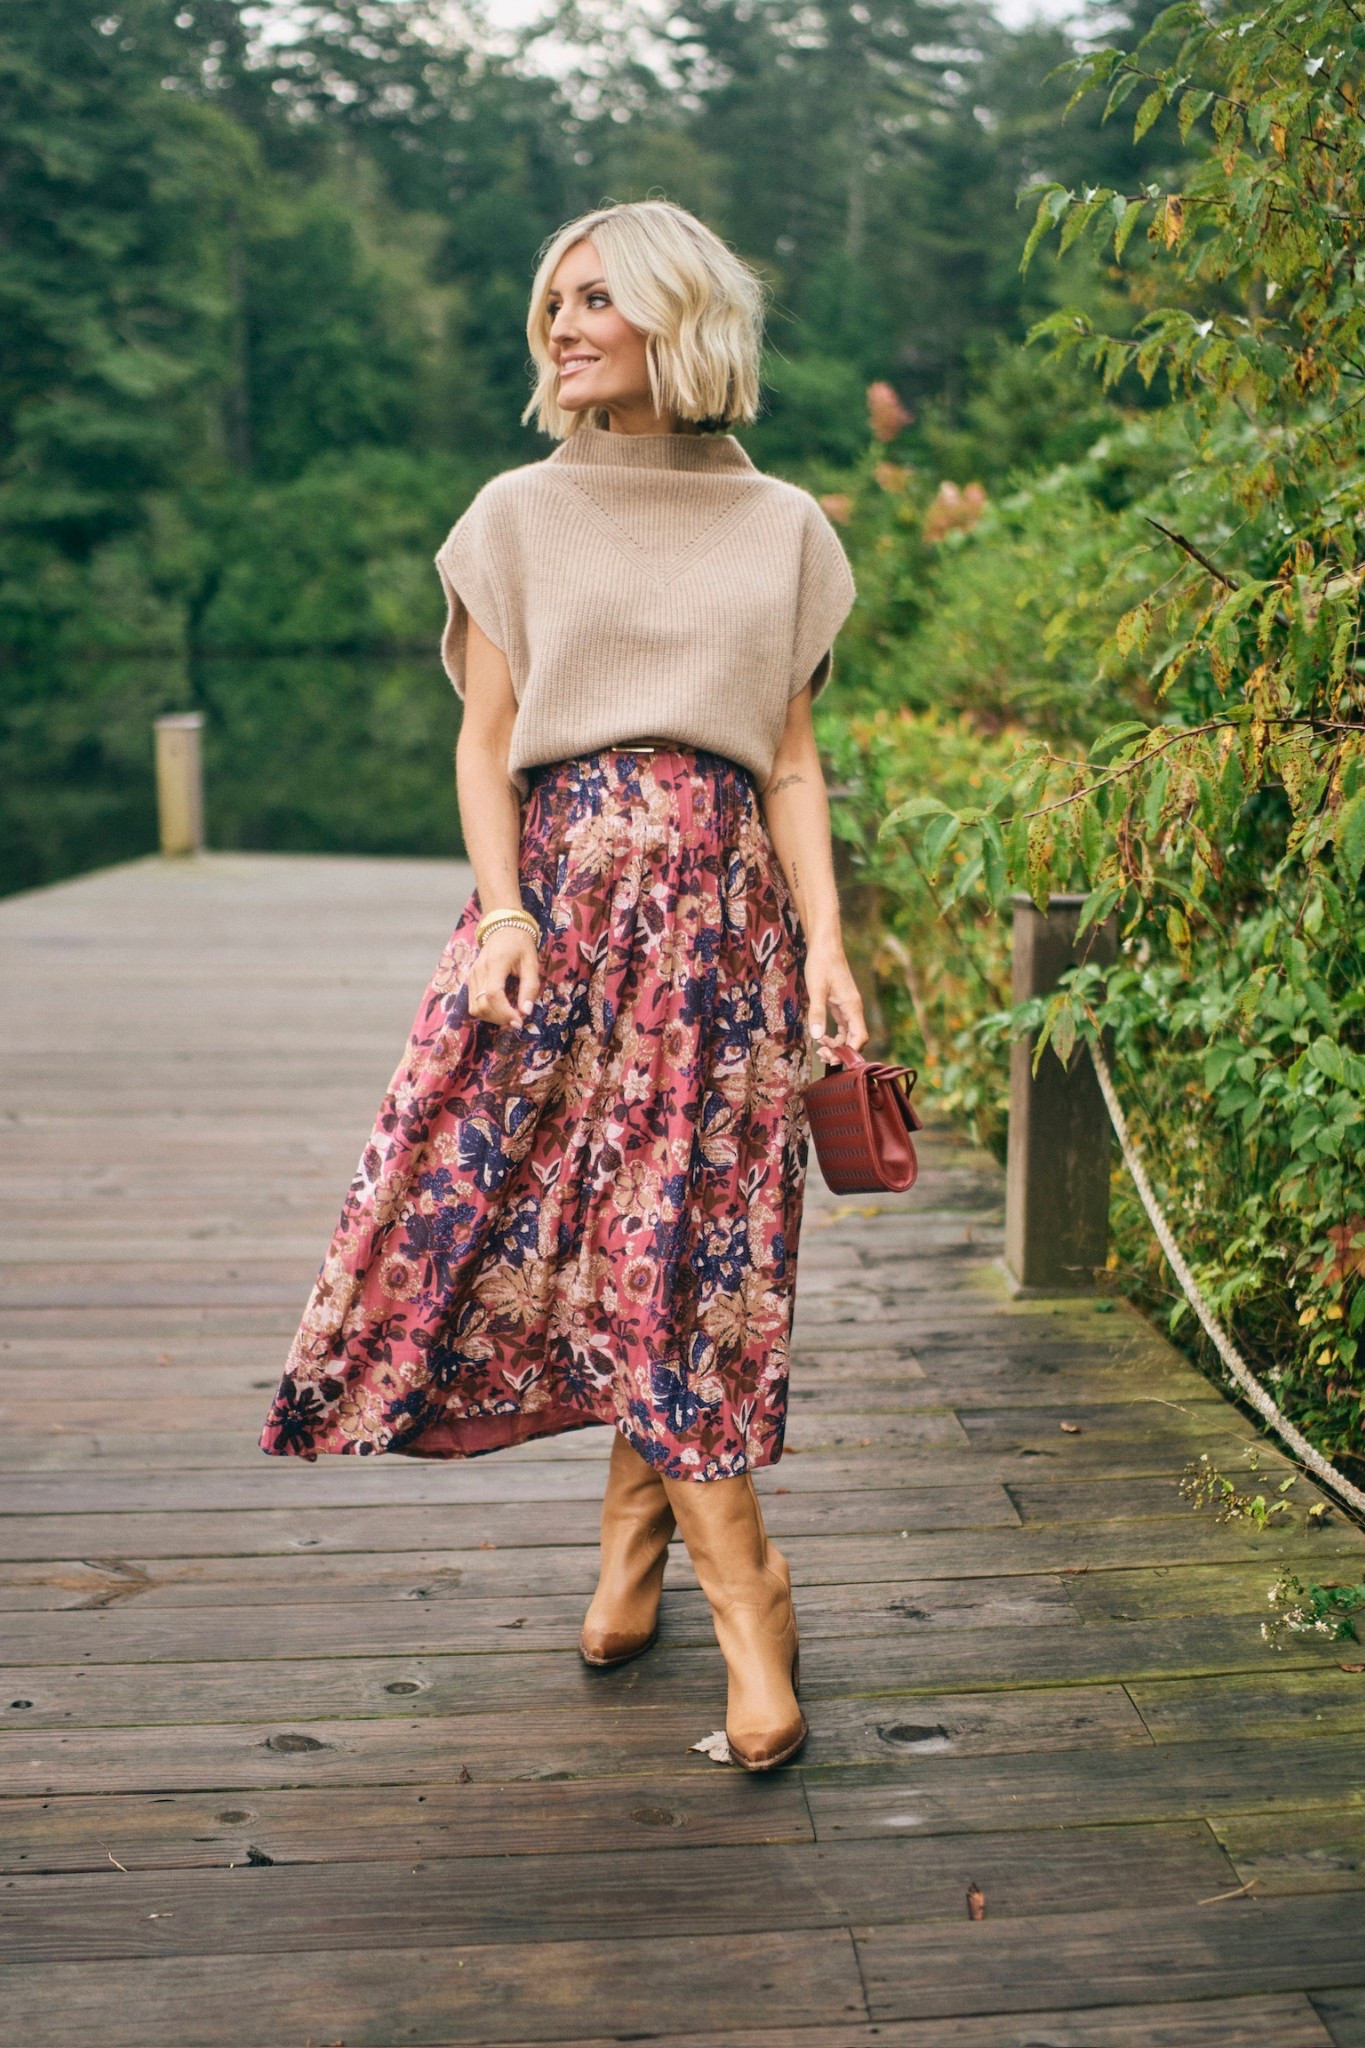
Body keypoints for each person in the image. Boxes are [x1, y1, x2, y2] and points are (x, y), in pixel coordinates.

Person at [259, 199, 867, 1770]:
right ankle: (673, 1555)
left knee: (685, 1249)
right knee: (559, 1231)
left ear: (680, 317)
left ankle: (729, 1591)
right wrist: (506, 913)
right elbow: (482, 743)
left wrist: (831, 945)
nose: (561, 324)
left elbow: (791, 763)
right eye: (551, 302)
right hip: (558, 933)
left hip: (724, 940)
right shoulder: (512, 515)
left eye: (596, 297)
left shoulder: (787, 526)